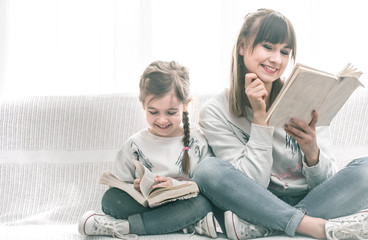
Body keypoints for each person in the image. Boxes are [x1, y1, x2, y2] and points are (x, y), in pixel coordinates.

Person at [193, 8, 368, 240]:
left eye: (285, 52)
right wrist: (259, 119)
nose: (276, 59)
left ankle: (265, 226)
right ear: (242, 46)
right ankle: (309, 226)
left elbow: (327, 184)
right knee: (206, 170)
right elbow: (249, 184)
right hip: (257, 201)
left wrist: (312, 153)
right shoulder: (215, 112)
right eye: (268, 46)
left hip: (309, 200)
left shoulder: (305, 94)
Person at [78, 60, 217, 239]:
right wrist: (134, 188)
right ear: (143, 105)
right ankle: (183, 224)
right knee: (111, 199)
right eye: (153, 112)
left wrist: (175, 185)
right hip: (147, 205)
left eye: (171, 112)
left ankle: (126, 227)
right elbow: (121, 185)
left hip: (184, 204)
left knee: (202, 204)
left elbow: (208, 185)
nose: (162, 120)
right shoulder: (134, 144)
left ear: (186, 105)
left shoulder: (198, 142)